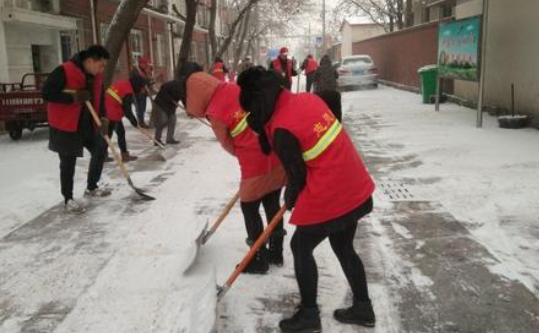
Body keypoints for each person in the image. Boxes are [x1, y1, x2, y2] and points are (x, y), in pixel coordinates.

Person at [238, 67, 376, 332]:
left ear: (259, 103)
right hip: (353, 182)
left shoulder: (281, 128)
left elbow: (297, 177)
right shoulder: (306, 99)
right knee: (343, 245)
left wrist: (290, 198)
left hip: (334, 189)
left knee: (301, 246)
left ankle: (309, 314)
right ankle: (363, 307)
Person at [185, 68, 287, 273]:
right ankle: (277, 253)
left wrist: (243, 152)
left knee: (249, 206)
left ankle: (258, 259)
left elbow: (227, 143)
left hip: (253, 163)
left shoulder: (215, 111)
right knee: (272, 201)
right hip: (274, 151)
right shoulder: (235, 87)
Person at [43, 45, 112, 214]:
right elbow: (46, 93)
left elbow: (100, 98)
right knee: (68, 162)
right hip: (66, 124)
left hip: (87, 123)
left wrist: (103, 118)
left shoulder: (96, 77)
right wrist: (73, 97)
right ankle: (68, 199)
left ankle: (91, 187)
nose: (102, 69)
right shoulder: (63, 71)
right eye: (100, 65)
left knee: (100, 148)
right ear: (89, 61)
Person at [104, 76, 147, 161]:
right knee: (115, 133)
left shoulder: (124, 84)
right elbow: (127, 109)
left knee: (109, 134)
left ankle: (103, 155)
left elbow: (123, 105)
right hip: (111, 110)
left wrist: (132, 119)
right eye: (142, 86)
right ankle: (122, 156)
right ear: (137, 85)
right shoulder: (128, 90)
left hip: (105, 108)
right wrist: (133, 121)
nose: (142, 89)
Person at [152, 79, 183, 145]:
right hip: (161, 104)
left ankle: (169, 139)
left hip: (171, 106)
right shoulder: (168, 85)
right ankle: (157, 140)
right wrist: (172, 100)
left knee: (173, 120)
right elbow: (164, 94)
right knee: (162, 121)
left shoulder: (182, 88)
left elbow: (183, 98)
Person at [130, 56, 155, 128]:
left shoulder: (143, 71)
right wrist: (140, 88)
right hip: (137, 92)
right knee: (140, 108)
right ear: (141, 63)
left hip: (143, 93)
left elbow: (145, 81)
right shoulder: (135, 71)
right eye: (145, 64)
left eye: (147, 64)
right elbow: (134, 81)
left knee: (143, 108)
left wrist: (151, 81)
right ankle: (141, 123)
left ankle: (141, 121)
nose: (146, 66)